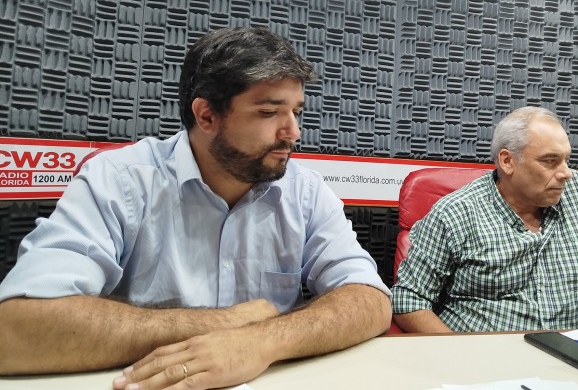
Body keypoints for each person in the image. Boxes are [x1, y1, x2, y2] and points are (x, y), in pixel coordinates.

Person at [0, 27, 391, 389]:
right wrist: (225, 324)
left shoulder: (305, 191)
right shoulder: (120, 181)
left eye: (296, 111)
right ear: (206, 115)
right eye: (269, 112)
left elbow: (369, 300)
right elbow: (15, 330)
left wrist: (262, 340)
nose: (293, 132)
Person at [392, 106, 578, 333]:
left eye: (566, 159)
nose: (566, 173)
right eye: (550, 161)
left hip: (563, 354)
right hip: (480, 355)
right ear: (507, 161)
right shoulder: (456, 212)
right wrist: (458, 354)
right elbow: (408, 299)